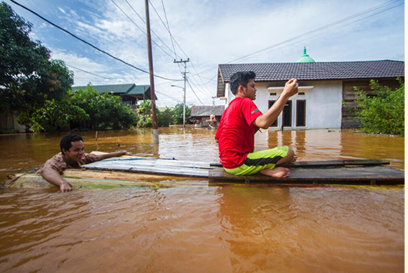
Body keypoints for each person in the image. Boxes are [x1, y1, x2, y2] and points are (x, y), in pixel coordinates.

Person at [215, 71, 298, 178]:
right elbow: (264, 123)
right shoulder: (244, 101)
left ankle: (264, 169)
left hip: (227, 164)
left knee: (276, 154)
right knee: (288, 153)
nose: (255, 89)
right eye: (252, 86)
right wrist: (285, 94)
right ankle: (263, 170)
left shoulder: (228, 109)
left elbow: (218, 139)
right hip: (239, 163)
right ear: (241, 89)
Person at [38, 134, 132, 192]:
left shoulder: (81, 157)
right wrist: (62, 183)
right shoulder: (57, 160)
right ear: (65, 151)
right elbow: (46, 170)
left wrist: (122, 153)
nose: (81, 153)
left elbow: (99, 157)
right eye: (77, 150)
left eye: (82, 149)